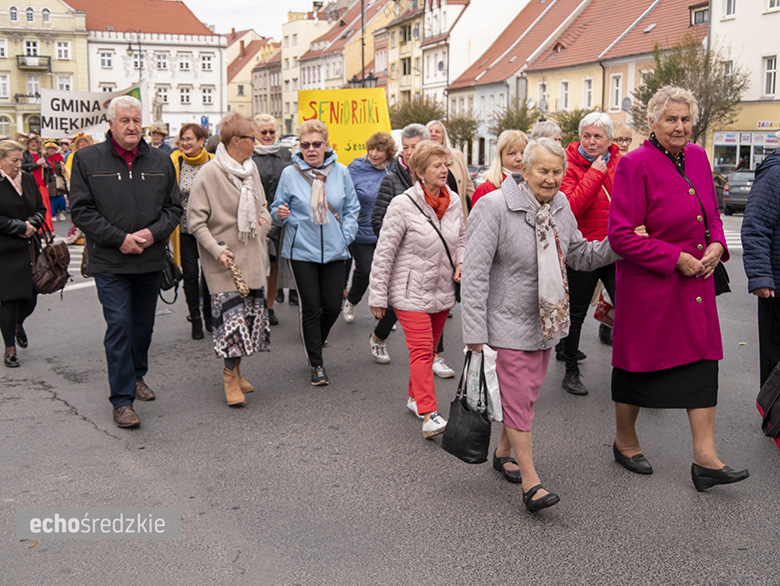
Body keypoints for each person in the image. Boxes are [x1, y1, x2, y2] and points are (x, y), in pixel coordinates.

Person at [462, 138, 618, 512]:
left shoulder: (561, 206)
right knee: (519, 401)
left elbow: (580, 255)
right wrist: (474, 333)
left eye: (557, 171)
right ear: (525, 170)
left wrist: (620, 244)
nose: (551, 178)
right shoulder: (494, 206)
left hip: (545, 321)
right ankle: (531, 483)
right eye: (543, 171)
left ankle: (503, 452)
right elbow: (475, 275)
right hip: (504, 322)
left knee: (526, 396)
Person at [608, 85, 749, 491]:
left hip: (695, 288)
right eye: (671, 118)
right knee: (638, 368)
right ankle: (625, 441)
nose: (680, 126)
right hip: (651, 289)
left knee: (703, 367)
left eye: (685, 119)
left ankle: (706, 459)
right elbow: (620, 236)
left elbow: (712, 214)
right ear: (652, 122)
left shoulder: (699, 157)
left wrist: (718, 244)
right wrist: (674, 257)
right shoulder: (634, 164)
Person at [70, 95, 182, 429]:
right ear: (111, 124)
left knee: (143, 325)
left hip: (150, 259)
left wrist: (151, 233)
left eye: (136, 120)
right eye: (125, 121)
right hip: (110, 261)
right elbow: (81, 210)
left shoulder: (161, 161)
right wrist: (120, 239)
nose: (132, 127)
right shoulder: (87, 159)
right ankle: (122, 401)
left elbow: (173, 209)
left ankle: (137, 375)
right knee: (119, 324)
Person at [369, 140, 466, 438]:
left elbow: (462, 239)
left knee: (427, 350)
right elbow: (384, 252)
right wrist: (377, 295)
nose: (444, 169)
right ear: (420, 172)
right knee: (423, 351)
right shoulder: (402, 204)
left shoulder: (453, 201)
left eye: (445, 164)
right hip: (408, 292)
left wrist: (461, 262)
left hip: (441, 290)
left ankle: (414, 398)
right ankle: (429, 413)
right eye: (437, 165)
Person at [188, 112, 272, 406]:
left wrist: (264, 221)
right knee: (231, 324)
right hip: (225, 262)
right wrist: (216, 250)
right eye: (252, 138)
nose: (256, 143)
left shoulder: (251, 169)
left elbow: (262, 205)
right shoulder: (209, 174)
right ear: (236, 141)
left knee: (247, 321)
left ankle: (237, 371)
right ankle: (229, 378)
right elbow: (195, 222)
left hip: (252, 258)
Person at [270, 119, 359, 386]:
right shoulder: (290, 173)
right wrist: (280, 214)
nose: (311, 149)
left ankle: (315, 341)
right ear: (300, 147)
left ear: (326, 145)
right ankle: (316, 363)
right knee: (310, 306)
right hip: (301, 251)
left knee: (332, 306)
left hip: (335, 249)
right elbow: (276, 208)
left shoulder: (341, 171)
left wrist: (346, 236)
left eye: (316, 144)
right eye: (305, 145)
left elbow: (352, 208)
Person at [557, 112, 620, 395]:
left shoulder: (620, 162)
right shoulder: (569, 165)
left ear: (609, 140)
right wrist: (595, 173)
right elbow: (571, 208)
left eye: (598, 137)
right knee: (577, 314)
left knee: (628, 310)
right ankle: (570, 370)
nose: (591, 142)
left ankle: (632, 370)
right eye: (587, 136)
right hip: (583, 250)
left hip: (615, 247)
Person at [368, 123, 429, 366]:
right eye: (406, 147)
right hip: (402, 255)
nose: (410, 152)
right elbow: (377, 220)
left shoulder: (437, 177)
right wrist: (399, 240)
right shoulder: (392, 180)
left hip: (429, 254)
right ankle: (378, 336)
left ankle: (435, 355)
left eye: (415, 147)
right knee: (397, 303)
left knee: (432, 305)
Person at [0, 140, 46, 368]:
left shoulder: (27, 179)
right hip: (5, 250)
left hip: (30, 248)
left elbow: (40, 209)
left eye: (21, 159)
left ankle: (18, 324)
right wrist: (18, 227)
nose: (19, 164)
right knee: (8, 300)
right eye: (14, 160)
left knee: (30, 298)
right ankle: (10, 349)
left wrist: (31, 223)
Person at [342, 132, 396, 324]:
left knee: (387, 274)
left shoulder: (394, 169)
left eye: (379, 150)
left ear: (388, 152)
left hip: (387, 230)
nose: (374, 154)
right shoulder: (356, 168)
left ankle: (384, 315)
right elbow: (344, 194)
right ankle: (352, 300)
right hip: (362, 229)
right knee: (365, 270)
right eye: (371, 149)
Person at [170, 123, 214, 339]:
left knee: (209, 275)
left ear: (201, 141)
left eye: (189, 139)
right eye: (183, 139)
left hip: (209, 231)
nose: (185, 143)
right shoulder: (175, 162)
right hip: (185, 230)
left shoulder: (213, 162)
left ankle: (209, 315)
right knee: (190, 275)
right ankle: (195, 318)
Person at [741, 147, 780, 387]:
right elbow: (755, 225)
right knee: (776, 362)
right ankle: (774, 409)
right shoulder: (776, 172)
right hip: (777, 288)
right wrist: (761, 275)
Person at [251, 113, 293, 326]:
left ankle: (269, 306)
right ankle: (254, 303)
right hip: (254, 217)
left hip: (278, 217)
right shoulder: (249, 154)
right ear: (255, 133)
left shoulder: (285, 154)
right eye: (264, 132)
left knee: (275, 263)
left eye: (272, 131)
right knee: (256, 262)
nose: (268, 135)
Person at [426, 119, 474, 218]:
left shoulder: (457, 156)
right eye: (430, 131)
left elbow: (468, 187)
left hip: (456, 214)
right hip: (431, 213)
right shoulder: (420, 158)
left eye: (437, 132)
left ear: (444, 136)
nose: (433, 134)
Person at [470, 130, 528, 207]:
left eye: (523, 153)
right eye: (512, 153)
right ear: (500, 157)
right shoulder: (485, 190)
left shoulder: (534, 188)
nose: (519, 158)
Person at [63, 133, 96, 245]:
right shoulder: (73, 155)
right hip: (78, 185)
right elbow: (69, 170)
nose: (82, 144)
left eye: (84, 142)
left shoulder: (93, 154)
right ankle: (77, 235)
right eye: (80, 142)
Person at [21, 134, 53, 230]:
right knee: (33, 205)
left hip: (42, 183)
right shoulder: (25, 154)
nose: (33, 144)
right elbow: (23, 166)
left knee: (44, 206)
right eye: (31, 142)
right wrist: (36, 163)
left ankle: (46, 227)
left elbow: (50, 169)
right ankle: (35, 226)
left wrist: (46, 166)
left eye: (35, 142)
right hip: (30, 184)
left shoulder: (42, 155)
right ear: (28, 144)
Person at [43, 141, 67, 222]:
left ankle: (61, 212)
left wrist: (63, 170)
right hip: (49, 180)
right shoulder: (44, 157)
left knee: (61, 197)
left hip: (58, 180)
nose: (51, 150)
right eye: (49, 148)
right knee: (51, 198)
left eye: (53, 148)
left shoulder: (59, 157)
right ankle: (52, 214)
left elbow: (63, 170)